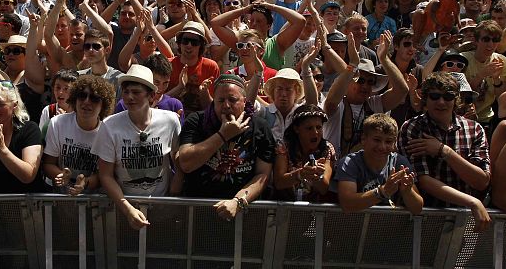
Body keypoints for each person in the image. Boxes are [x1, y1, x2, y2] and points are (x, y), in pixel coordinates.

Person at [91, 65, 181, 230]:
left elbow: (179, 162)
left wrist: (172, 196)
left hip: (162, 208)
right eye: (126, 92)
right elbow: (105, 175)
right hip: (123, 210)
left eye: (136, 92)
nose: (129, 97)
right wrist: (127, 209)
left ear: (151, 95)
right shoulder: (109, 126)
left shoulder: (170, 121)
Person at [399, 72, 491, 232]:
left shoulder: (474, 129)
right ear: (425, 99)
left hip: (465, 220)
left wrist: (444, 151)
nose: (441, 102)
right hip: (424, 219)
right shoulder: (413, 128)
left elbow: (481, 181)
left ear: (456, 99)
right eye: (435, 96)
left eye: (448, 97)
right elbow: (423, 180)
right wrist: (472, 201)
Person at [178, 74, 274, 220]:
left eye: (232, 100)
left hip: (244, 213)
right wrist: (223, 135)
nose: (226, 105)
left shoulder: (260, 127)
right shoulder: (196, 122)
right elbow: (186, 164)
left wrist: (238, 202)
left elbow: (262, 174)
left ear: (244, 101)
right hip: (200, 213)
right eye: (221, 100)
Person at [334, 114, 423, 214]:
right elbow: (347, 204)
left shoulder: (399, 163)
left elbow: (417, 209)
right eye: (377, 140)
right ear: (363, 139)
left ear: (394, 143)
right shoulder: (349, 163)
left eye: (388, 141)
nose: (382, 147)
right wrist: (382, 192)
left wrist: (407, 192)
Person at [42, 75, 115, 196]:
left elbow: (105, 174)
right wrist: (61, 175)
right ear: (74, 99)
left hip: (93, 201)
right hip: (61, 199)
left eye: (94, 98)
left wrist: (85, 183)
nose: (86, 101)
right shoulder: (58, 123)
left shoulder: (108, 131)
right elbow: (48, 164)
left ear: (103, 105)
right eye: (82, 96)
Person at [272, 105, 335, 202]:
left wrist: (316, 175)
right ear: (296, 129)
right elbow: (279, 182)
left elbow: (323, 189)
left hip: (313, 208)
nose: (315, 132)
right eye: (309, 128)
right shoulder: (283, 146)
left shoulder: (327, 149)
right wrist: (301, 174)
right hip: (284, 205)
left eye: (318, 127)